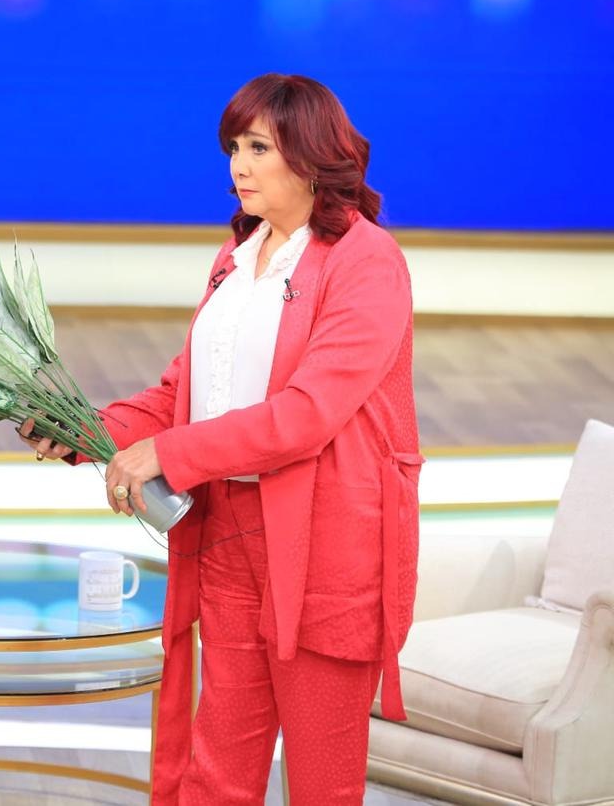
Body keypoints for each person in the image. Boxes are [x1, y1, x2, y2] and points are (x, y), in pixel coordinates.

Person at [21, 73, 421, 805]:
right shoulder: (236, 259)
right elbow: (182, 396)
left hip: (325, 548)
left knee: (321, 786)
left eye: (259, 147)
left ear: (311, 155)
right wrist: (82, 431)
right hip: (227, 536)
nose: (239, 165)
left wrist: (169, 455)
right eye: (234, 147)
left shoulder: (368, 262)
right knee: (215, 775)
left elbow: (307, 413)